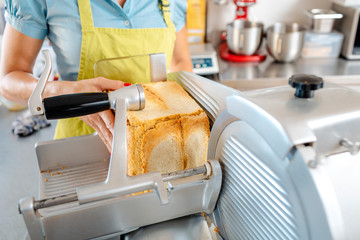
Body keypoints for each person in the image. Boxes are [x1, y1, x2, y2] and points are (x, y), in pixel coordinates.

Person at [0, 0, 193, 151]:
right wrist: (64, 91)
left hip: (157, 146)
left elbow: (180, 64)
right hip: (78, 151)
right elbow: (9, 79)